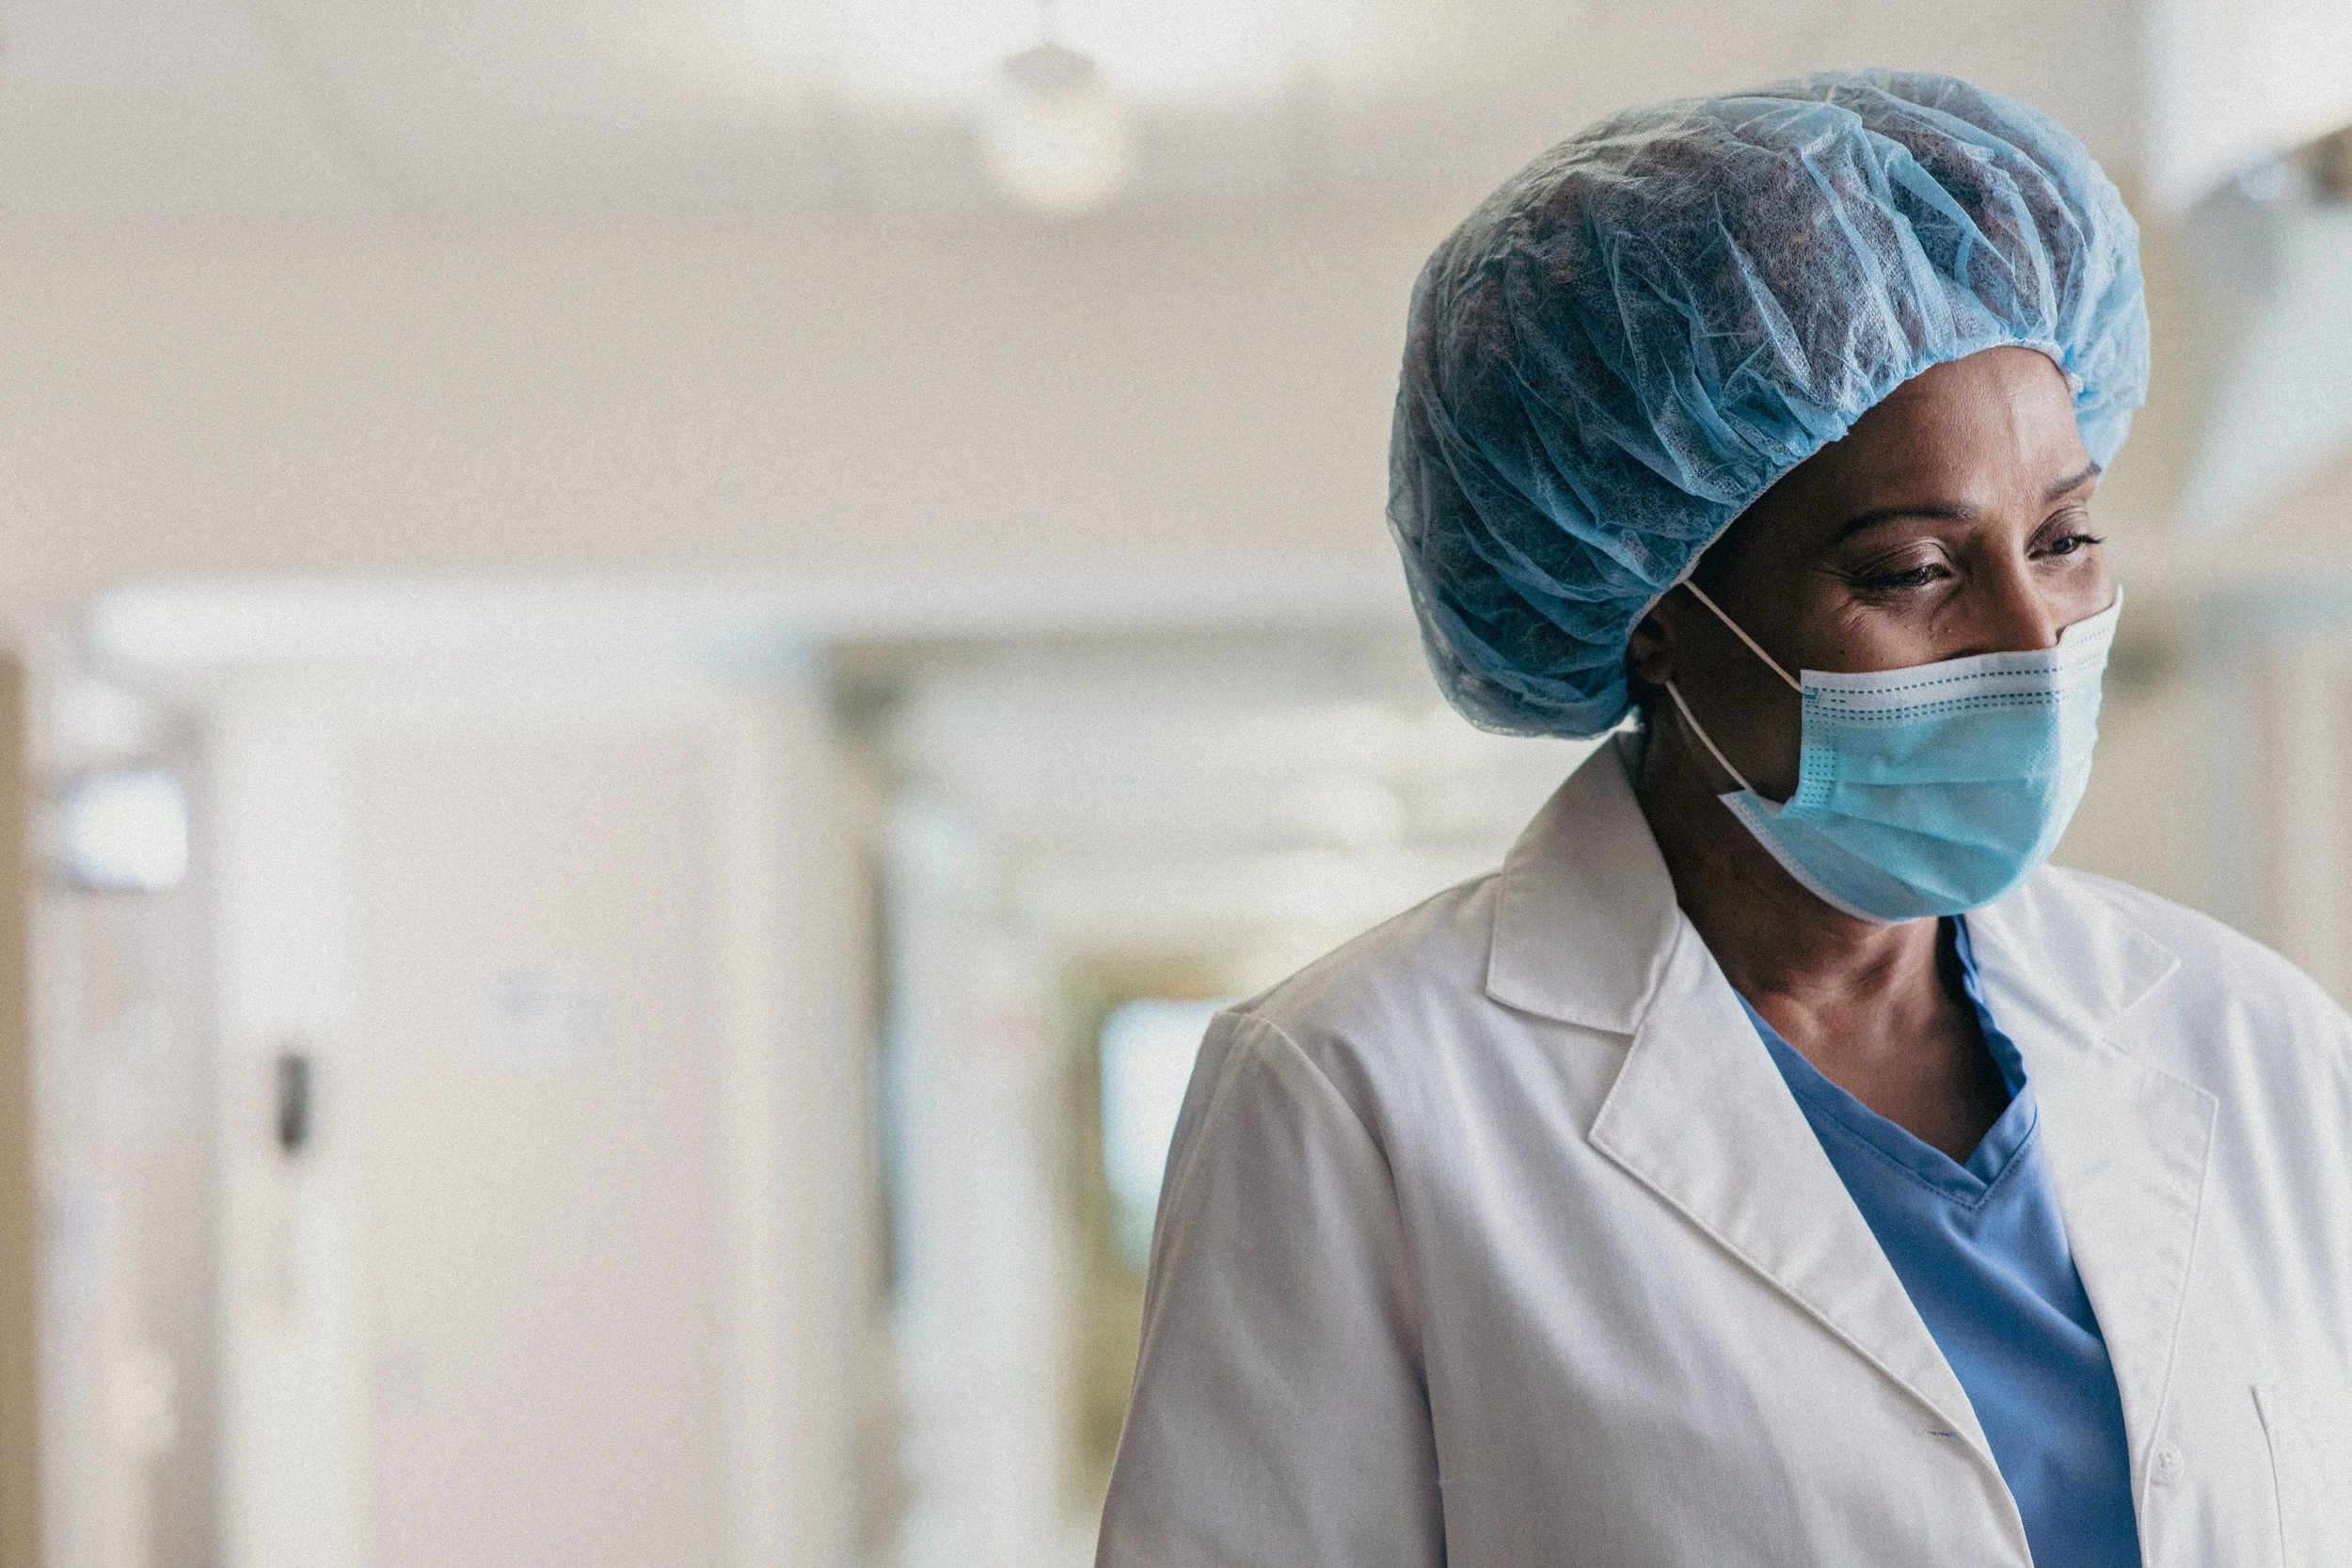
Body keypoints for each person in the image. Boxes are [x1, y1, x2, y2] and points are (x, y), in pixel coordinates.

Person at [1096, 71, 2352, 1567]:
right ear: (1658, 615)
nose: (2034, 637)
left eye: (2066, 537)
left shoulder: (2253, 1040)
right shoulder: (1357, 1092)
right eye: (1912, 571)